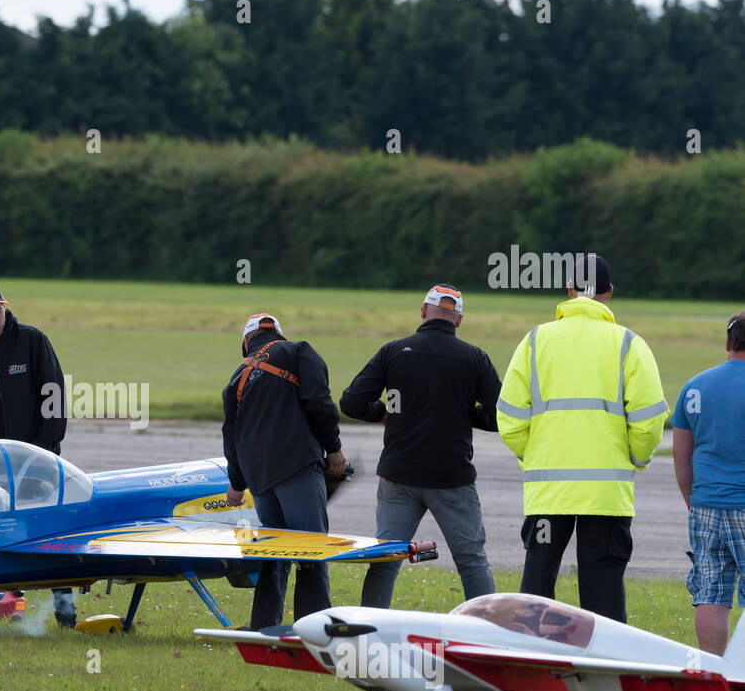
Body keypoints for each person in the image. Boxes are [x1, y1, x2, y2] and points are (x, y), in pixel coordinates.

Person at [496, 254, 668, 623]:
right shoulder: (628, 344)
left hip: (548, 490)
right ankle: (605, 667)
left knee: (537, 583)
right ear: (608, 293)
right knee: (603, 584)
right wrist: (635, 457)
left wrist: (535, 456)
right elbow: (650, 418)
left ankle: (531, 662)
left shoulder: (534, 341)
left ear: (569, 290)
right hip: (605, 493)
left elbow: (509, 417)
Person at [340, 284, 501, 608]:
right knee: (471, 561)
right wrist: (465, 414)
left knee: (386, 560)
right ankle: (488, 633)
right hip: (451, 477)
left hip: (398, 475)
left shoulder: (394, 351)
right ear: (458, 319)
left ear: (423, 312)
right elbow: (501, 416)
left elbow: (351, 402)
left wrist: (382, 412)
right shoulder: (474, 357)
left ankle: (370, 629)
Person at [0, 282, 73, 627]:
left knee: (50, 533)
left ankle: (66, 612)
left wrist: (46, 453)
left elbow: (54, 400)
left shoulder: (32, 341)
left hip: (37, 460)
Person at [222, 313, 346, 629]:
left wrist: (236, 482)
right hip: (298, 468)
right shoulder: (298, 351)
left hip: (260, 480)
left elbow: (231, 434)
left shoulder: (237, 378)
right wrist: (333, 447)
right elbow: (320, 402)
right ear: (278, 333)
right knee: (311, 550)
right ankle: (314, 627)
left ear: (246, 342)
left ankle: (264, 626)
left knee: (274, 552)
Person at [671, 312, 745, 655]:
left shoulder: (694, 387)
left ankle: (716, 673)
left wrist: (692, 499)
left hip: (705, 503)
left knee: (711, 594)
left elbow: (681, 457)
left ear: (728, 342)